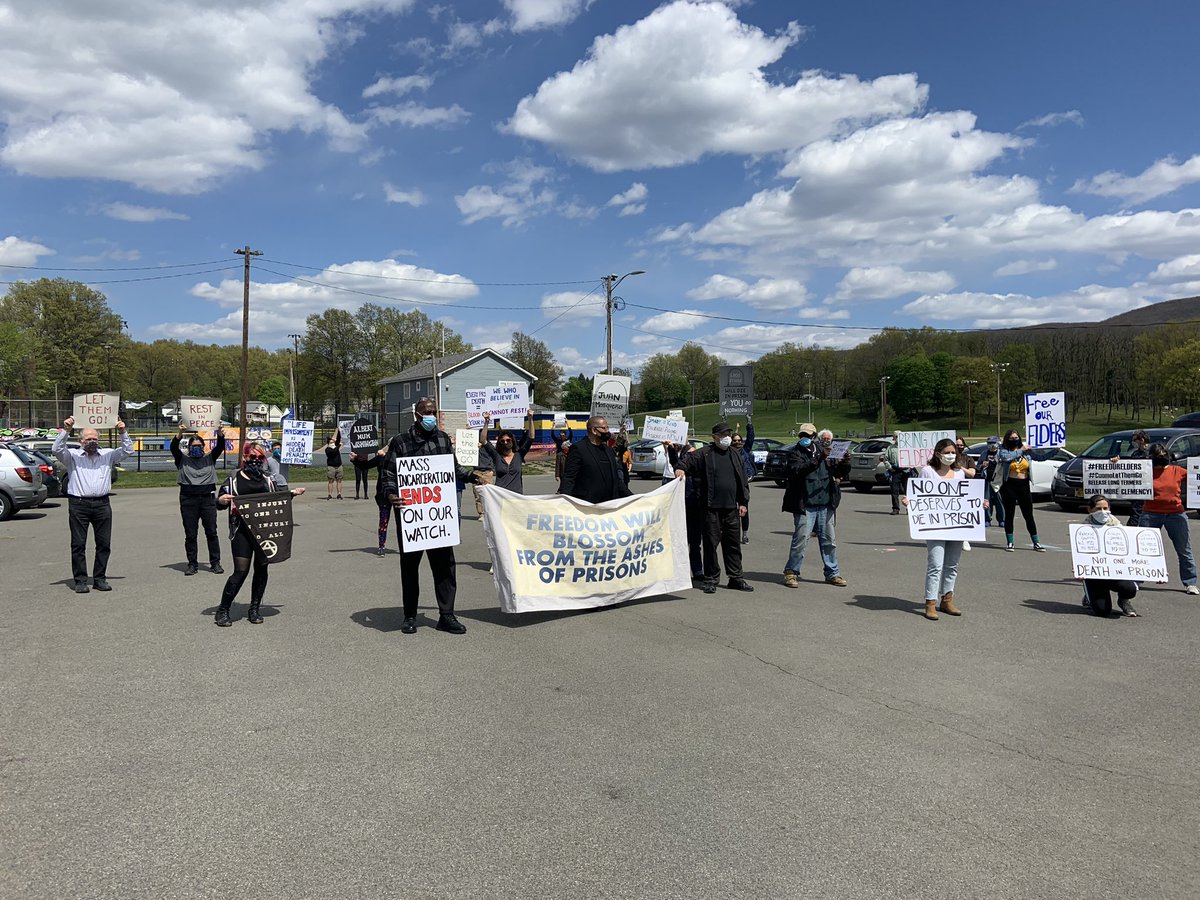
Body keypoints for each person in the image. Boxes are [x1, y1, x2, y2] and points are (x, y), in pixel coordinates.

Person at [380, 397, 481, 635]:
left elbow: (453, 468)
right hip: (412, 517)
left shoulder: (443, 439)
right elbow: (388, 474)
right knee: (409, 567)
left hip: (439, 519)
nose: (431, 416)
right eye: (427, 412)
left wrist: (471, 476)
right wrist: (392, 494)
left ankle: (447, 615)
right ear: (416, 415)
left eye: (434, 412)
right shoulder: (400, 442)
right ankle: (410, 616)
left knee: (445, 566)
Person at [213, 444, 306, 626]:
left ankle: (254, 609)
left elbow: (278, 498)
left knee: (262, 569)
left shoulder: (269, 480)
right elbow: (219, 502)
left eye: (259, 458)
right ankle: (223, 609)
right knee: (241, 571)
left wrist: (292, 493)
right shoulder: (233, 479)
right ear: (244, 457)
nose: (255, 460)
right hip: (242, 531)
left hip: (264, 531)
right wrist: (221, 500)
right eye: (252, 457)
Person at [901, 438, 984, 621]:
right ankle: (930, 602)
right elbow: (918, 495)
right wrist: (909, 502)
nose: (950, 455)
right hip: (935, 527)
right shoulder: (928, 472)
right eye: (947, 452)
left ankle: (947, 599)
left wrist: (980, 504)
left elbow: (966, 498)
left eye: (953, 452)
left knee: (952, 565)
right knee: (935, 565)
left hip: (956, 527)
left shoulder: (958, 473)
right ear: (938, 454)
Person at [52, 416, 134, 593]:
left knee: (104, 543)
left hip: (102, 504)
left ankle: (99, 578)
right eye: (88, 439)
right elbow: (56, 449)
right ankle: (80, 580)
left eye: (95, 438)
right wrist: (66, 430)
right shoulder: (72, 456)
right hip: (78, 504)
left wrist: (122, 431)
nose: (91, 442)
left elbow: (128, 450)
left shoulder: (107, 455)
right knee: (78, 543)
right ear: (81, 441)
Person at [673, 422, 752, 595]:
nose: (727, 438)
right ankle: (711, 579)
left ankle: (736, 578)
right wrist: (680, 469)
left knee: (733, 546)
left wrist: (743, 502)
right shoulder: (704, 454)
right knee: (710, 545)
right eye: (723, 435)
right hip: (710, 509)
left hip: (731, 508)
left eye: (728, 434)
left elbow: (742, 480)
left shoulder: (735, 454)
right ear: (714, 437)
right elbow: (685, 462)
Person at [781, 422, 850, 589]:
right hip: (805, 505)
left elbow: (839, 473)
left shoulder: (824, 451)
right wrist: (820, 458)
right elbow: (798, 470)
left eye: (808, 436)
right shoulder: (795, 453)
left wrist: (845, 462)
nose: (805, 438)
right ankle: (791, 572)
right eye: (802, 435)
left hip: (825, 503)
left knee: (829, 541)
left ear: (814, 437)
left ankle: (832, 573)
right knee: (801, 539)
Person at [1140, 443, 1198, 595]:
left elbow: (1196, 476)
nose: (1161, 459)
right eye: (1157, 457)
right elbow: (1123, 472)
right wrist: (1115, 462)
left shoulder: (1177, 471)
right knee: (1143, 549)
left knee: (1184, 550)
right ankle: (1137, 579)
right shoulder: (1144, 471)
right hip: (1150, 513)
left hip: (1176, 514)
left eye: (1163, 456)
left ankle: (1190, 582)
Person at [169, 424, 225, 576]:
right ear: (188, 447)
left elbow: (220, 446)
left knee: (212, 532)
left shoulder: (210, 458)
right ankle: (192, 564)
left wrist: (220, 433)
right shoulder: (182, 459)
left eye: (199, 445)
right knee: (191, 534)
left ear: (204, 446)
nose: (196, 448)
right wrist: (181, 432)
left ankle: (215, 563)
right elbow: (173, 447)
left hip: (207, 500)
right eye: (194, 446)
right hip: (188, 500)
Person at [1079, 495, 1140, 617]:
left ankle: (1123, 600)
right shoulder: (1082, 530)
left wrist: (1156, 572)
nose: (1102, 512)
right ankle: (1090, 595)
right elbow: (1080, 556)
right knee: (1103, 611)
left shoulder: (1118, 527)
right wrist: (1079, 568)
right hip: (1096, 575)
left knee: (1130, 589)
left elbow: (1132, 553)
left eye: (1105, 508)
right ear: (1090, 510)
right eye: (1098, 509)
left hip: (1115, 572)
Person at [559, 416, 633, 504]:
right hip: (588, 506)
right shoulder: (579, 449)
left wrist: (633, 498)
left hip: (610, 505)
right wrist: (564, 503)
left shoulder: (609, 451)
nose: (607, 431)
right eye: (604, 428)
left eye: (607, 428)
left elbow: (616, 480)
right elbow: (569, 479)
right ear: (594, 430)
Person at [997, 429, 1045, 552]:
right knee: (1009, 514)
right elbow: (1006, 458)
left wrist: (1056, 450)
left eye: (1016, 438)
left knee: (1028, 515)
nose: (1014, 440)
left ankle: (1036, 542)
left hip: (1023, 485)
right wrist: (1021, 450)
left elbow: (1040, 457)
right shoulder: (1004, 450)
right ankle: (1010, 542)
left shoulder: (1026, 452)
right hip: (1009, 485)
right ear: (1007, 439)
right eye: (1012, 438)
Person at [478, 410, 534, 494]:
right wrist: (486, 422)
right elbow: (483, 440)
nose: (505, 442)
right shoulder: (497, 456)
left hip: (516, 496)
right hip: (500, 496)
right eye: (502, 441)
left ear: (512, 441)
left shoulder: (519, 455)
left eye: (508, 440)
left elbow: (531, 437)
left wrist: (530, 418)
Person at [732, 418, 756, 543]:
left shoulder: (745, 451)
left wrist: (749, 424)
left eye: (739, 440)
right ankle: (732, 535)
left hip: (743, 486)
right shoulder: (728, 452)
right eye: (735, 440)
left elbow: (751, 438)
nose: (737, 442)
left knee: (744, 510)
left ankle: (745, 534)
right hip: (731, 486)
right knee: (731, 513)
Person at [975, 437, 1005, 529]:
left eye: (993, 443)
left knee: (1000, 501)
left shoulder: (1001, 453)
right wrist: (982, 465)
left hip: (998, 480)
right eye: (989, 443)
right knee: (987, 501)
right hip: (987, 479)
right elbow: (978, 466)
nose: (992, 445)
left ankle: (1002, 520)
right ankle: (987, 519)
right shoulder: (984, 453)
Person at [1122, 430, 1150, 526]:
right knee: (1136, 511)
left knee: (1138, 512)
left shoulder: (1151, 453)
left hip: (1147, 487)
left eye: (1135, 440)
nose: (1133, 442)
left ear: (1141, 440)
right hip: (1136, 487)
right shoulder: (1135, 454)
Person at [886, 432, 907, 515]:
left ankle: (909, 509)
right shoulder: (890, 448)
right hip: (895, 471)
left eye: (900, 436)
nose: (898, 438)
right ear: (894, 438)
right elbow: (886, 459)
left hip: (906, 471)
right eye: (897, 436)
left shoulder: (908, 447)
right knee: (894, 490)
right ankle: (895, 509)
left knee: (908, 491)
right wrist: (890, 468)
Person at [325, 431, 344, 500]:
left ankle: (339, 493)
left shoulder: (336, 446)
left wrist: (339, 431)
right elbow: (334, 451)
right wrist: (339, 445)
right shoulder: (328, 450)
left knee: (339, 480)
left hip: (339, 466)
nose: (332, 444)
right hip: (331, 467)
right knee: (331, 481)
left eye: (333, 442)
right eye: (331, 443)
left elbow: (338, 438)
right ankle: (330, 494)